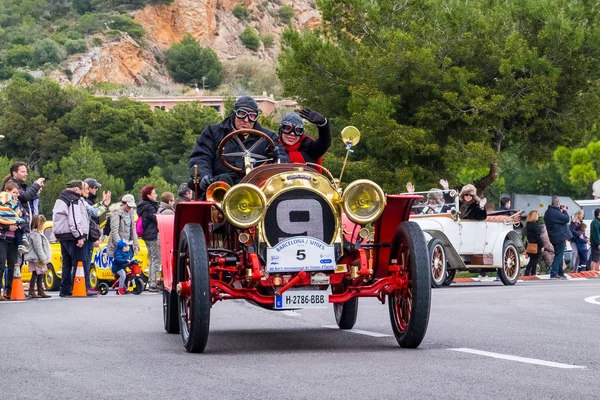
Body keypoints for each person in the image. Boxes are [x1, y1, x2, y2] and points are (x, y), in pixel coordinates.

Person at [189, 96, 289, 197]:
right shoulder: (213, 132)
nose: (246, 120)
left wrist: (276, 158)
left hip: (257, 190)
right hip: (220, 186)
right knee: (221, 181)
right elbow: (201, 158)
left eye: (252, 116)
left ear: (256, 118)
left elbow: (284, 160)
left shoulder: (268, 137)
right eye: (242, 114)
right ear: (234, 114)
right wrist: (204, 176)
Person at [3, 162, 45, 296]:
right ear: (14, 173)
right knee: (7, 262)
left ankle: (13, 289)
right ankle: (8, 289)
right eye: (23, 171)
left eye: (26, 171)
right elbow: (25, 197)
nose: (26, 174)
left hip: (18, 230)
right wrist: (36, 184)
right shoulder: (11, 188)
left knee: (16, 262)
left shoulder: (19, 190)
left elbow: (26, 206)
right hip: (6, 233)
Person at [52, 180, 89, 298]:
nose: (82, 192)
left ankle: (65, 289)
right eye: (81, 189)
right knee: (79, 262)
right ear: (76, 189)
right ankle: (77, 287)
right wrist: (79, 236)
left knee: (66, 263)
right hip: (71, 235)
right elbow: (74, 219)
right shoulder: (73, 200)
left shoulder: (61, 199)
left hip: (62, 235)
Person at [81, 180, 110, 296]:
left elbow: (93, 208)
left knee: (86, 261)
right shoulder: (84, 200)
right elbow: (95, 213)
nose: (95, 190)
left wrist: (102, 203)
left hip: (88, 234)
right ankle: (85, 286)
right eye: (94, 188)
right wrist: (105, 205)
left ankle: (84, 285)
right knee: (86, 261)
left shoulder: (87, 201)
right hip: (87, 235)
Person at [137, 185, 160, 292]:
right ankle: (153, 283)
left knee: (151, 258)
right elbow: (157, 219)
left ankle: (151, 281)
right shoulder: (150, 207)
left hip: (146, 235)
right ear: (149, 195)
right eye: (154, 193)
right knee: (156, 259)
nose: (156, 195)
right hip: (153, 235)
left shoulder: (143, 206)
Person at [24, 215, 51, 298]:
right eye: (42, 224)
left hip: (37, 258)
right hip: (37, 259)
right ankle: (33, 291)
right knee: (36, 274)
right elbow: (38, 247)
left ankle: (39, 290)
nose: (43, 226)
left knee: (40, 274)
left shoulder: (36, 234)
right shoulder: (35, 235)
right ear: (39, 224)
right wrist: (43, 258)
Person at [544, 196, 570, 279]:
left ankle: (560, 272)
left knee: (558, 254)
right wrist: (564, 211)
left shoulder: (547, 212)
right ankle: (554, 272)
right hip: (559, 236)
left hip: (552, 236)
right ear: (558, 204)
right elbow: (566, 219)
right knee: (559, 255)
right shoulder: (556, 212)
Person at [106, 194, 139, 258]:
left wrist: (135, 243)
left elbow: (133, 229)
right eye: (129, 206)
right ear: (124, 203)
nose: (130, 208)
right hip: (117, 248)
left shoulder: (131, 212)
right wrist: (122, 245)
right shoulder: (116, 213)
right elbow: (114, 231)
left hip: (128, 246)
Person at [0, 181, 29, 255]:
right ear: (7, 191)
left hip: (14, 239)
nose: (16, 195)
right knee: (2, 262)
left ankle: (23, 238)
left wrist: (22, 224)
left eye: (17, 193)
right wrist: (8, 227)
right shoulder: (2, 203)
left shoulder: (17, 203)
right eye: (14, 192)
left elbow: (24, 215)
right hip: (2, 238)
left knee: (13, 264)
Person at [524, 210, 544, 276]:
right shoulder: (535, 225)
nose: (538, 215)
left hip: (530, 244)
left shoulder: (528, 224)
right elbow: (537, 236)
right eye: (537, 214)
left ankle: (532, 273)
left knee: (532, 259)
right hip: (536, 244)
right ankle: (529, 272)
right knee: (534, 260)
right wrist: (542, 245)